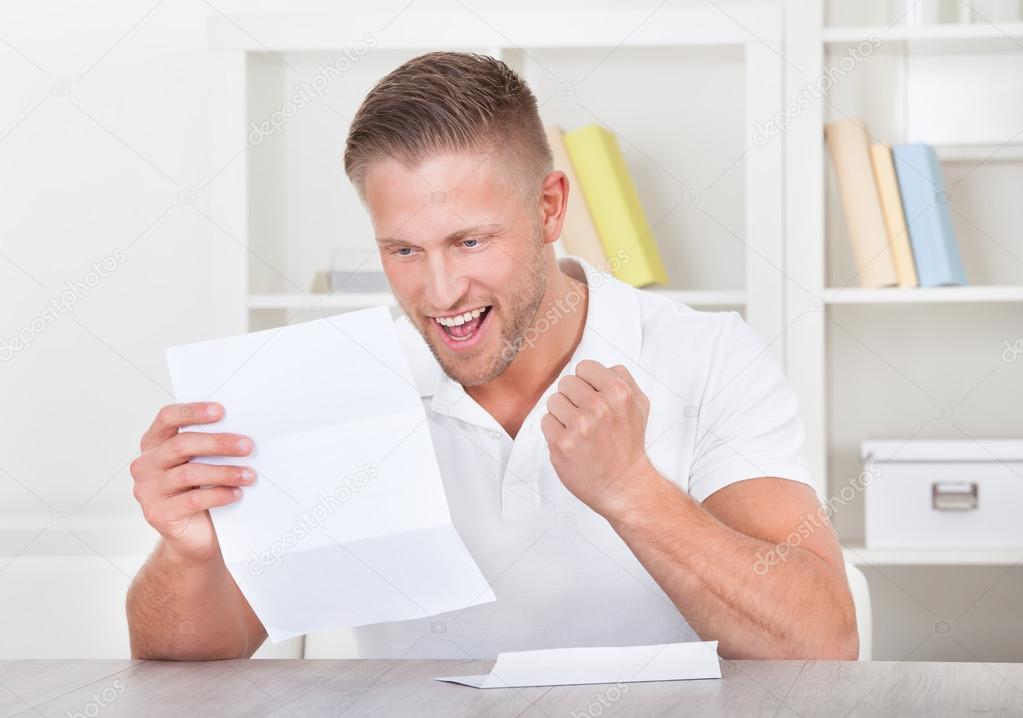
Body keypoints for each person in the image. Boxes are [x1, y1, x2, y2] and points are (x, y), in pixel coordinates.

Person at [126, 52, 857, 661]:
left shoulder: (707, 357)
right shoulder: (334, 383)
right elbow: (191, 665)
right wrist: (187, 552)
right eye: (403, 250)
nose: (440, 292)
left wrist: (631, 490)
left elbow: (820, 645)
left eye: (469, 241)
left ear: (548, 208)